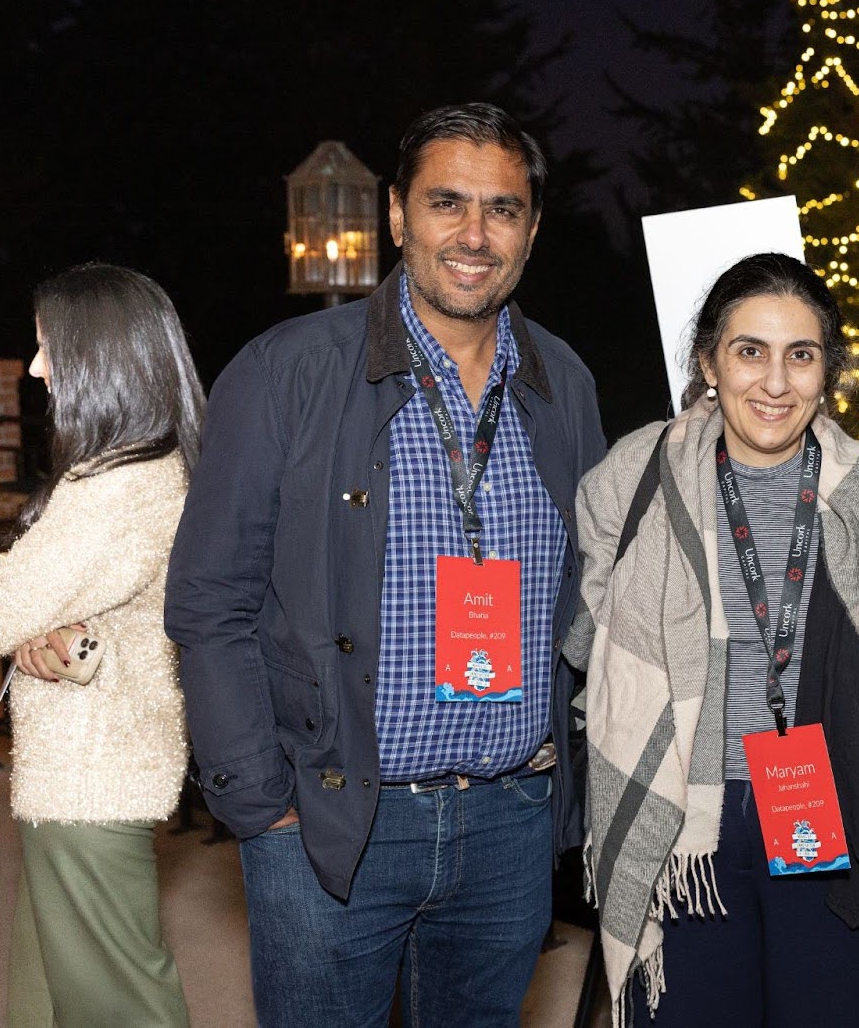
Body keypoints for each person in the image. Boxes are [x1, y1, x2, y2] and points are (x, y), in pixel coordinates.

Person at [165, 103, 605, 1027]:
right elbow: (209, 601)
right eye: (447, 203)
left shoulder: (563, 380)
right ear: (397, 216)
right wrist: (261, 810)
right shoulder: (286, 371)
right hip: (333, 824)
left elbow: (591, 593)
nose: (475, 235)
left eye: (504, 209)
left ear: (531, 229)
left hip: (511, 819)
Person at [567, 252, 859, 1027]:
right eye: (749, 351)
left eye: (801, 355)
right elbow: (592, 641)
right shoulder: (630, 479)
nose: (774, 381)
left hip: (840, 811)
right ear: (707, 361)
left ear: (828, 372)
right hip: (685, 828)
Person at [0, 263, 202, 1027]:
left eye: (46, 346)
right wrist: (47, 625)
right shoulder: (131, 471)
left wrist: (24, 615)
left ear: (102, 358)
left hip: (93, 780)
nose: (36, 367)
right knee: (47, 1003)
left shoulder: (118, 484)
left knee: (121, 1007)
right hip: (82, 774)